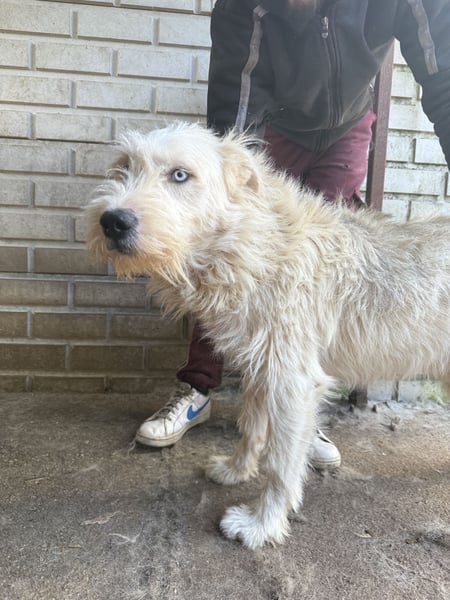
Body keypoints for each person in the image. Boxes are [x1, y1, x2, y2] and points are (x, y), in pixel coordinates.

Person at [135, 0, 450, 468]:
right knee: (225, 261)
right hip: (270, 128)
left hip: (347, 127)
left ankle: (297, 403)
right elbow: (236, 106)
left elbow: (443, 75)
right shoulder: (244, 6)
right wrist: (227, 194)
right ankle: (197, 388)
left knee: (315, 281)